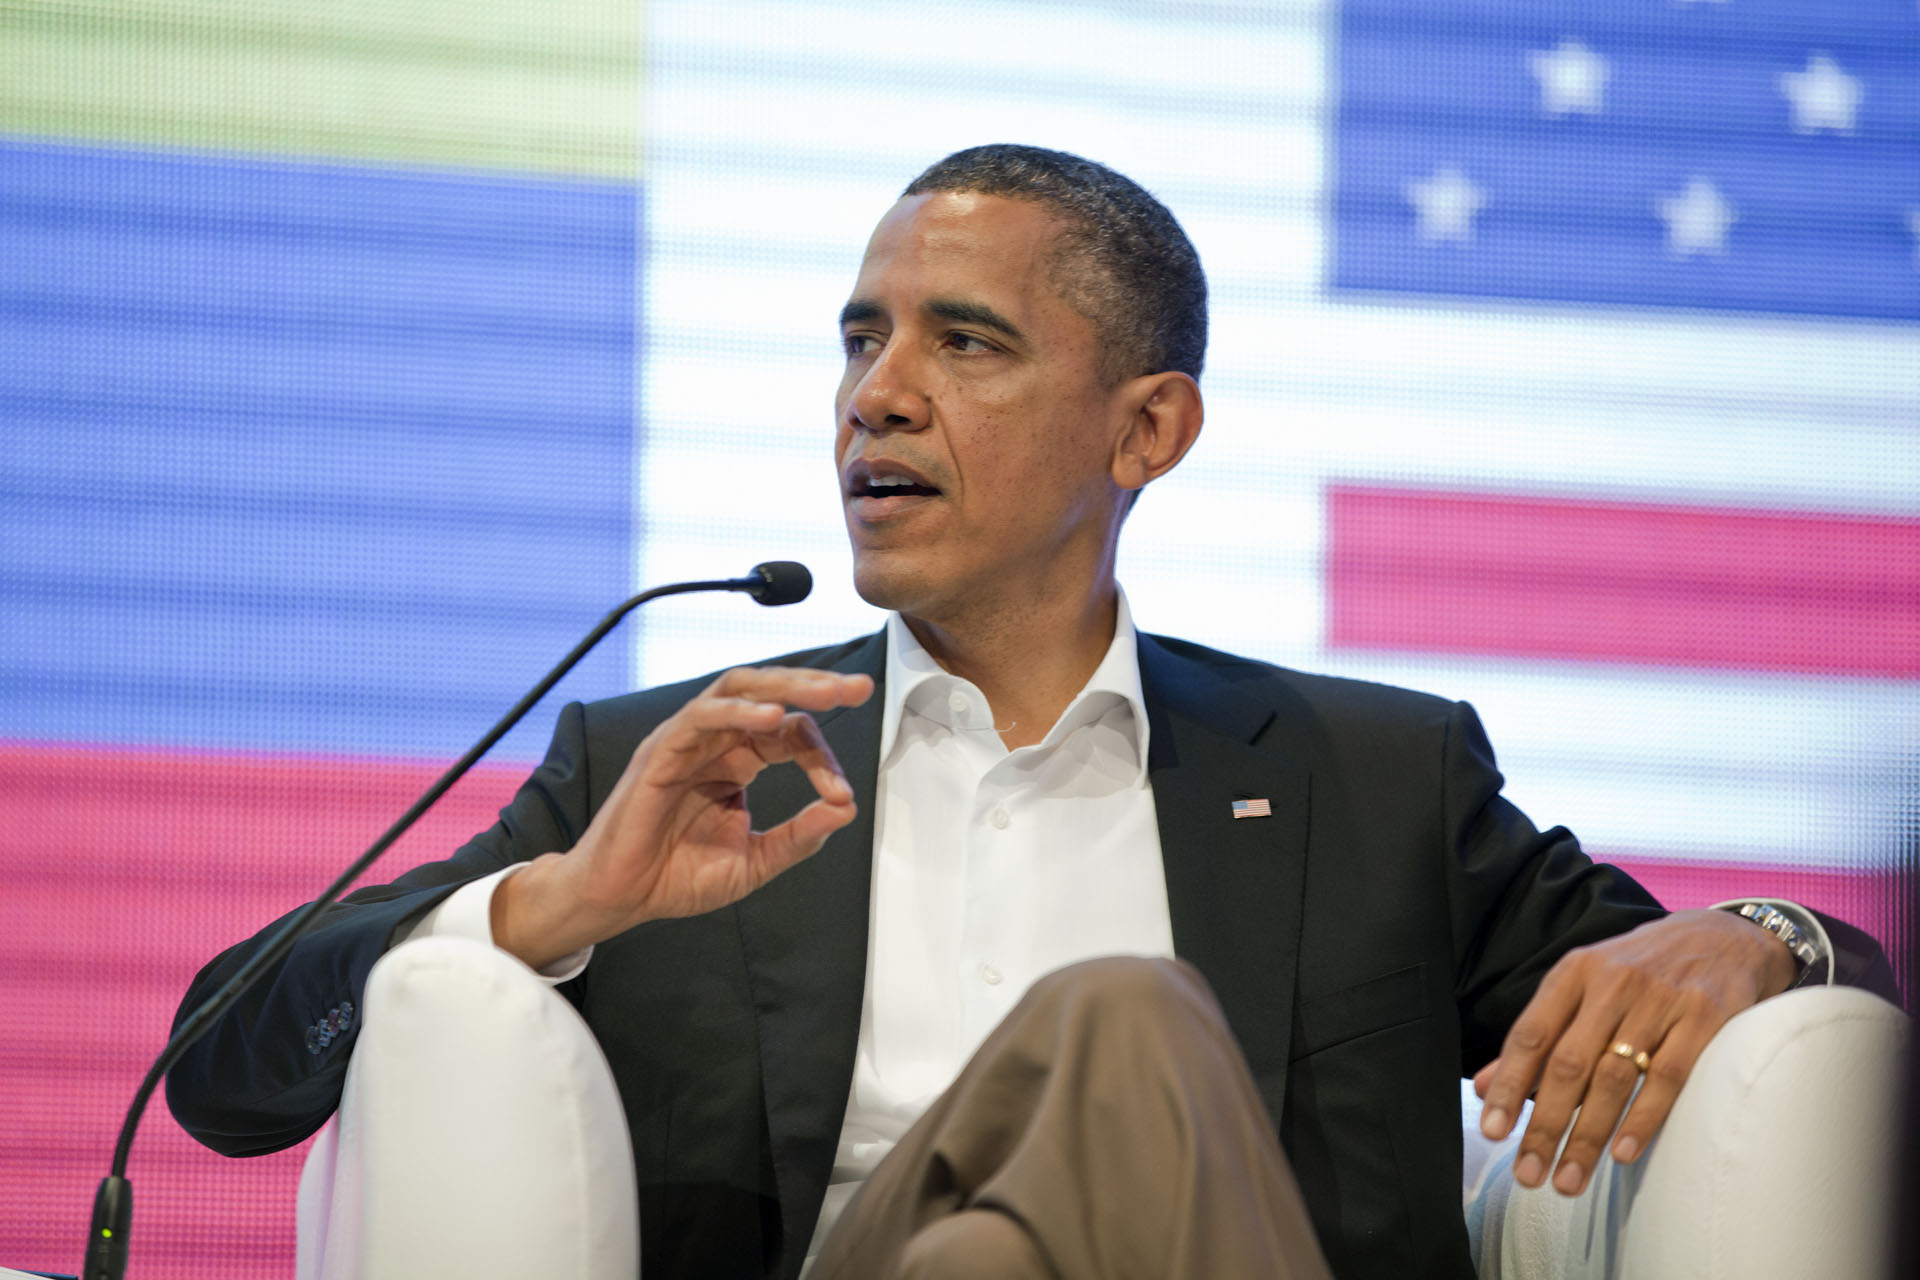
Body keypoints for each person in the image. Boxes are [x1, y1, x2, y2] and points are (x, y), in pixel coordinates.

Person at [167, 145, 1896, 1279]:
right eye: (859, 339)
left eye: (965, 343)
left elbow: (1769, 979)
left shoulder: (1376, 782)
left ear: (1145, 434)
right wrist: (556, 907)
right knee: (1131, 1027)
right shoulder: (675, 774)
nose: (877, 396)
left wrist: (1767, 936)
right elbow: (220, 1074)